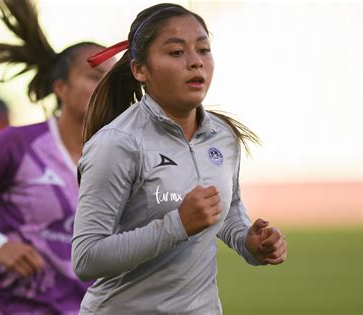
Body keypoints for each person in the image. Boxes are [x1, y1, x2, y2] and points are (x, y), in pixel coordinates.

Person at [72, 3, 288, 314]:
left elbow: (227, 210)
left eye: (203, 49)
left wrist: (248, 241)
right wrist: (178, 225)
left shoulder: (223, 136)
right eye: (176, 53)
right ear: (140, 70)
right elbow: (86, 258)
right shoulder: (117, 144)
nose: (196, 62)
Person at [0, 0, 113, 314]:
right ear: (61, 88)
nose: (103, 87)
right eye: (92, 76)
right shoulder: (18, 144)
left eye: (111, 80)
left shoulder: (120, 157)